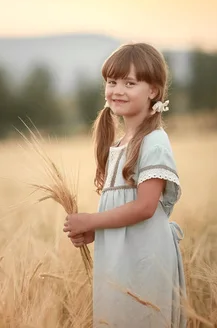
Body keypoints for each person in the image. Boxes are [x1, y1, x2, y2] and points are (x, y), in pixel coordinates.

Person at [63, 43, 186, 327]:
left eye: (130, 83)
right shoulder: (118, 144)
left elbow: (144, 207)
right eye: (112, 82)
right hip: (117, 258)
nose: (117, 90)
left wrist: (92, 220)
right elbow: (121, 209)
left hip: (143, 257)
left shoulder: (154, 140)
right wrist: (95, 229)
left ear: (153, 91)